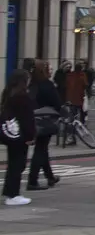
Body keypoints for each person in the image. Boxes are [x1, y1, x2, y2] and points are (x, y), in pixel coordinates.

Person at [2, 69, 36, 205]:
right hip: (21, 135)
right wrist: (30, 136)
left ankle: (9, 192)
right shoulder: (23, 97)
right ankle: (13, 194)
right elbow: (27, 119)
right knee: (18, 164)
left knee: (12, 164)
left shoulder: (8, 94)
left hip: (11, 133)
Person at [27, 62, 61, 191]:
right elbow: (57, 103)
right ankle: (32, 181)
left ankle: (50, 176)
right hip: (45, 121)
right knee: (40, 150)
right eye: (49, 68)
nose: (51, 71)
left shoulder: (31, 85)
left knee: (42, 149)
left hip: (32, 120)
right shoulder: (47, 85)